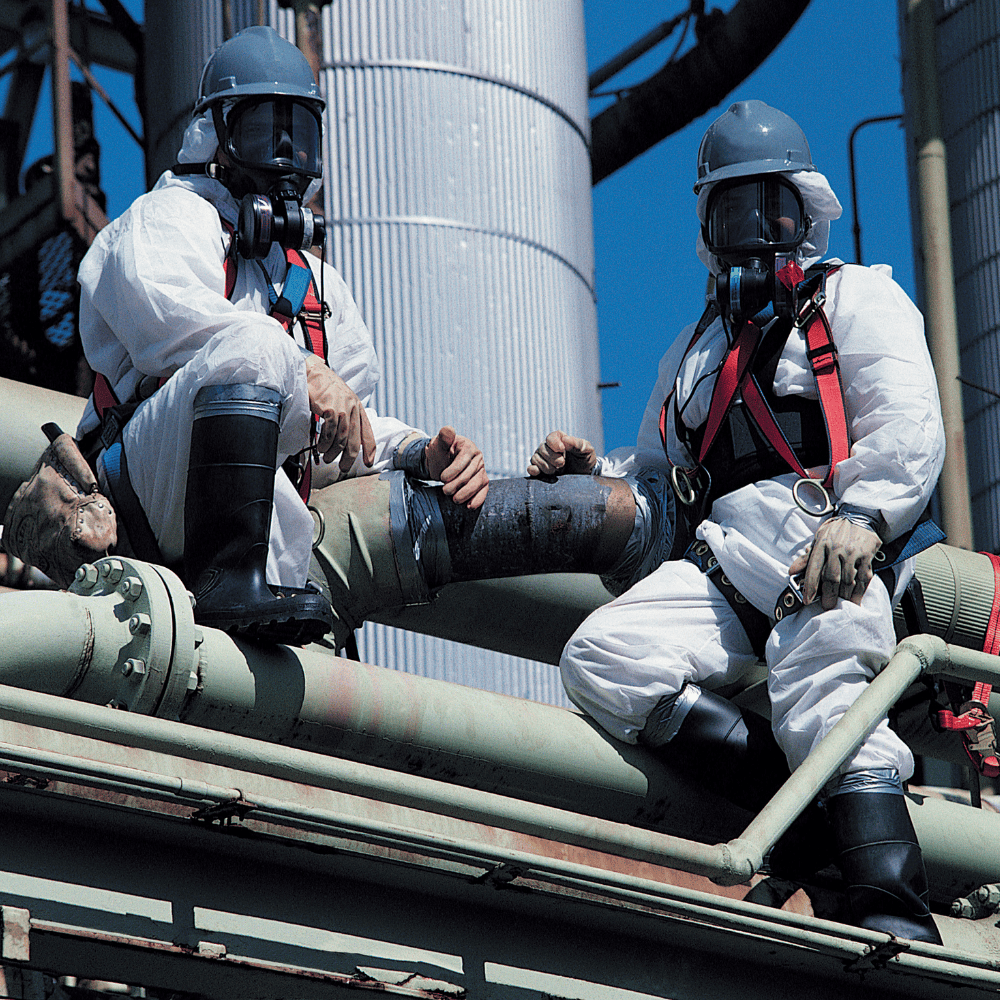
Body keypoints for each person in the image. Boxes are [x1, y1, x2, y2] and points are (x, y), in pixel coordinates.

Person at [528, 101, 946, 943]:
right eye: (734, 211)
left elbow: (909, 423)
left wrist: (863, 517)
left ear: (805, 212)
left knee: (828, 691)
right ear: (708, 227)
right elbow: (658, 476)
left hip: (829, 558)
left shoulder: (857, 298)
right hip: (726, 567)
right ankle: (804, 826)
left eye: (771, 209)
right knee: (603, 658)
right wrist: (591, 480)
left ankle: (891, 906)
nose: (754, 231)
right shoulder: (693, 352)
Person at [74, 25, 488, 646]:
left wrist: (420, 454)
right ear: (217, 135)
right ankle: (226, 585)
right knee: (259, 347)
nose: (286, 156)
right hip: (145, 499)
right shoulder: (166, 220)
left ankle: (258, 588)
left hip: (274, 537)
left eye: (300, 136)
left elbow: (348, 428)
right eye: (266, 132)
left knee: (270, 357)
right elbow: (171, 331)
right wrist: (306, 370)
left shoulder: (317, 286)